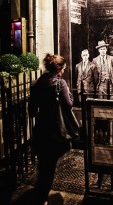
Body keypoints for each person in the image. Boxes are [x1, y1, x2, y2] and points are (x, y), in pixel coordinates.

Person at [28, 53, 74, 205]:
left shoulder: (36, 83)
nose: (64, 71)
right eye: (64, 69)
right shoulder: (60, 84)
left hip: (40, 129)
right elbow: (68, 105)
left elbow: (32, 111)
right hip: (54, 131)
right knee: (49, 168)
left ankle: (40, 194)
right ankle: (41, 198)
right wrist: (70, 97)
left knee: (43, 164)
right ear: (59, 69)